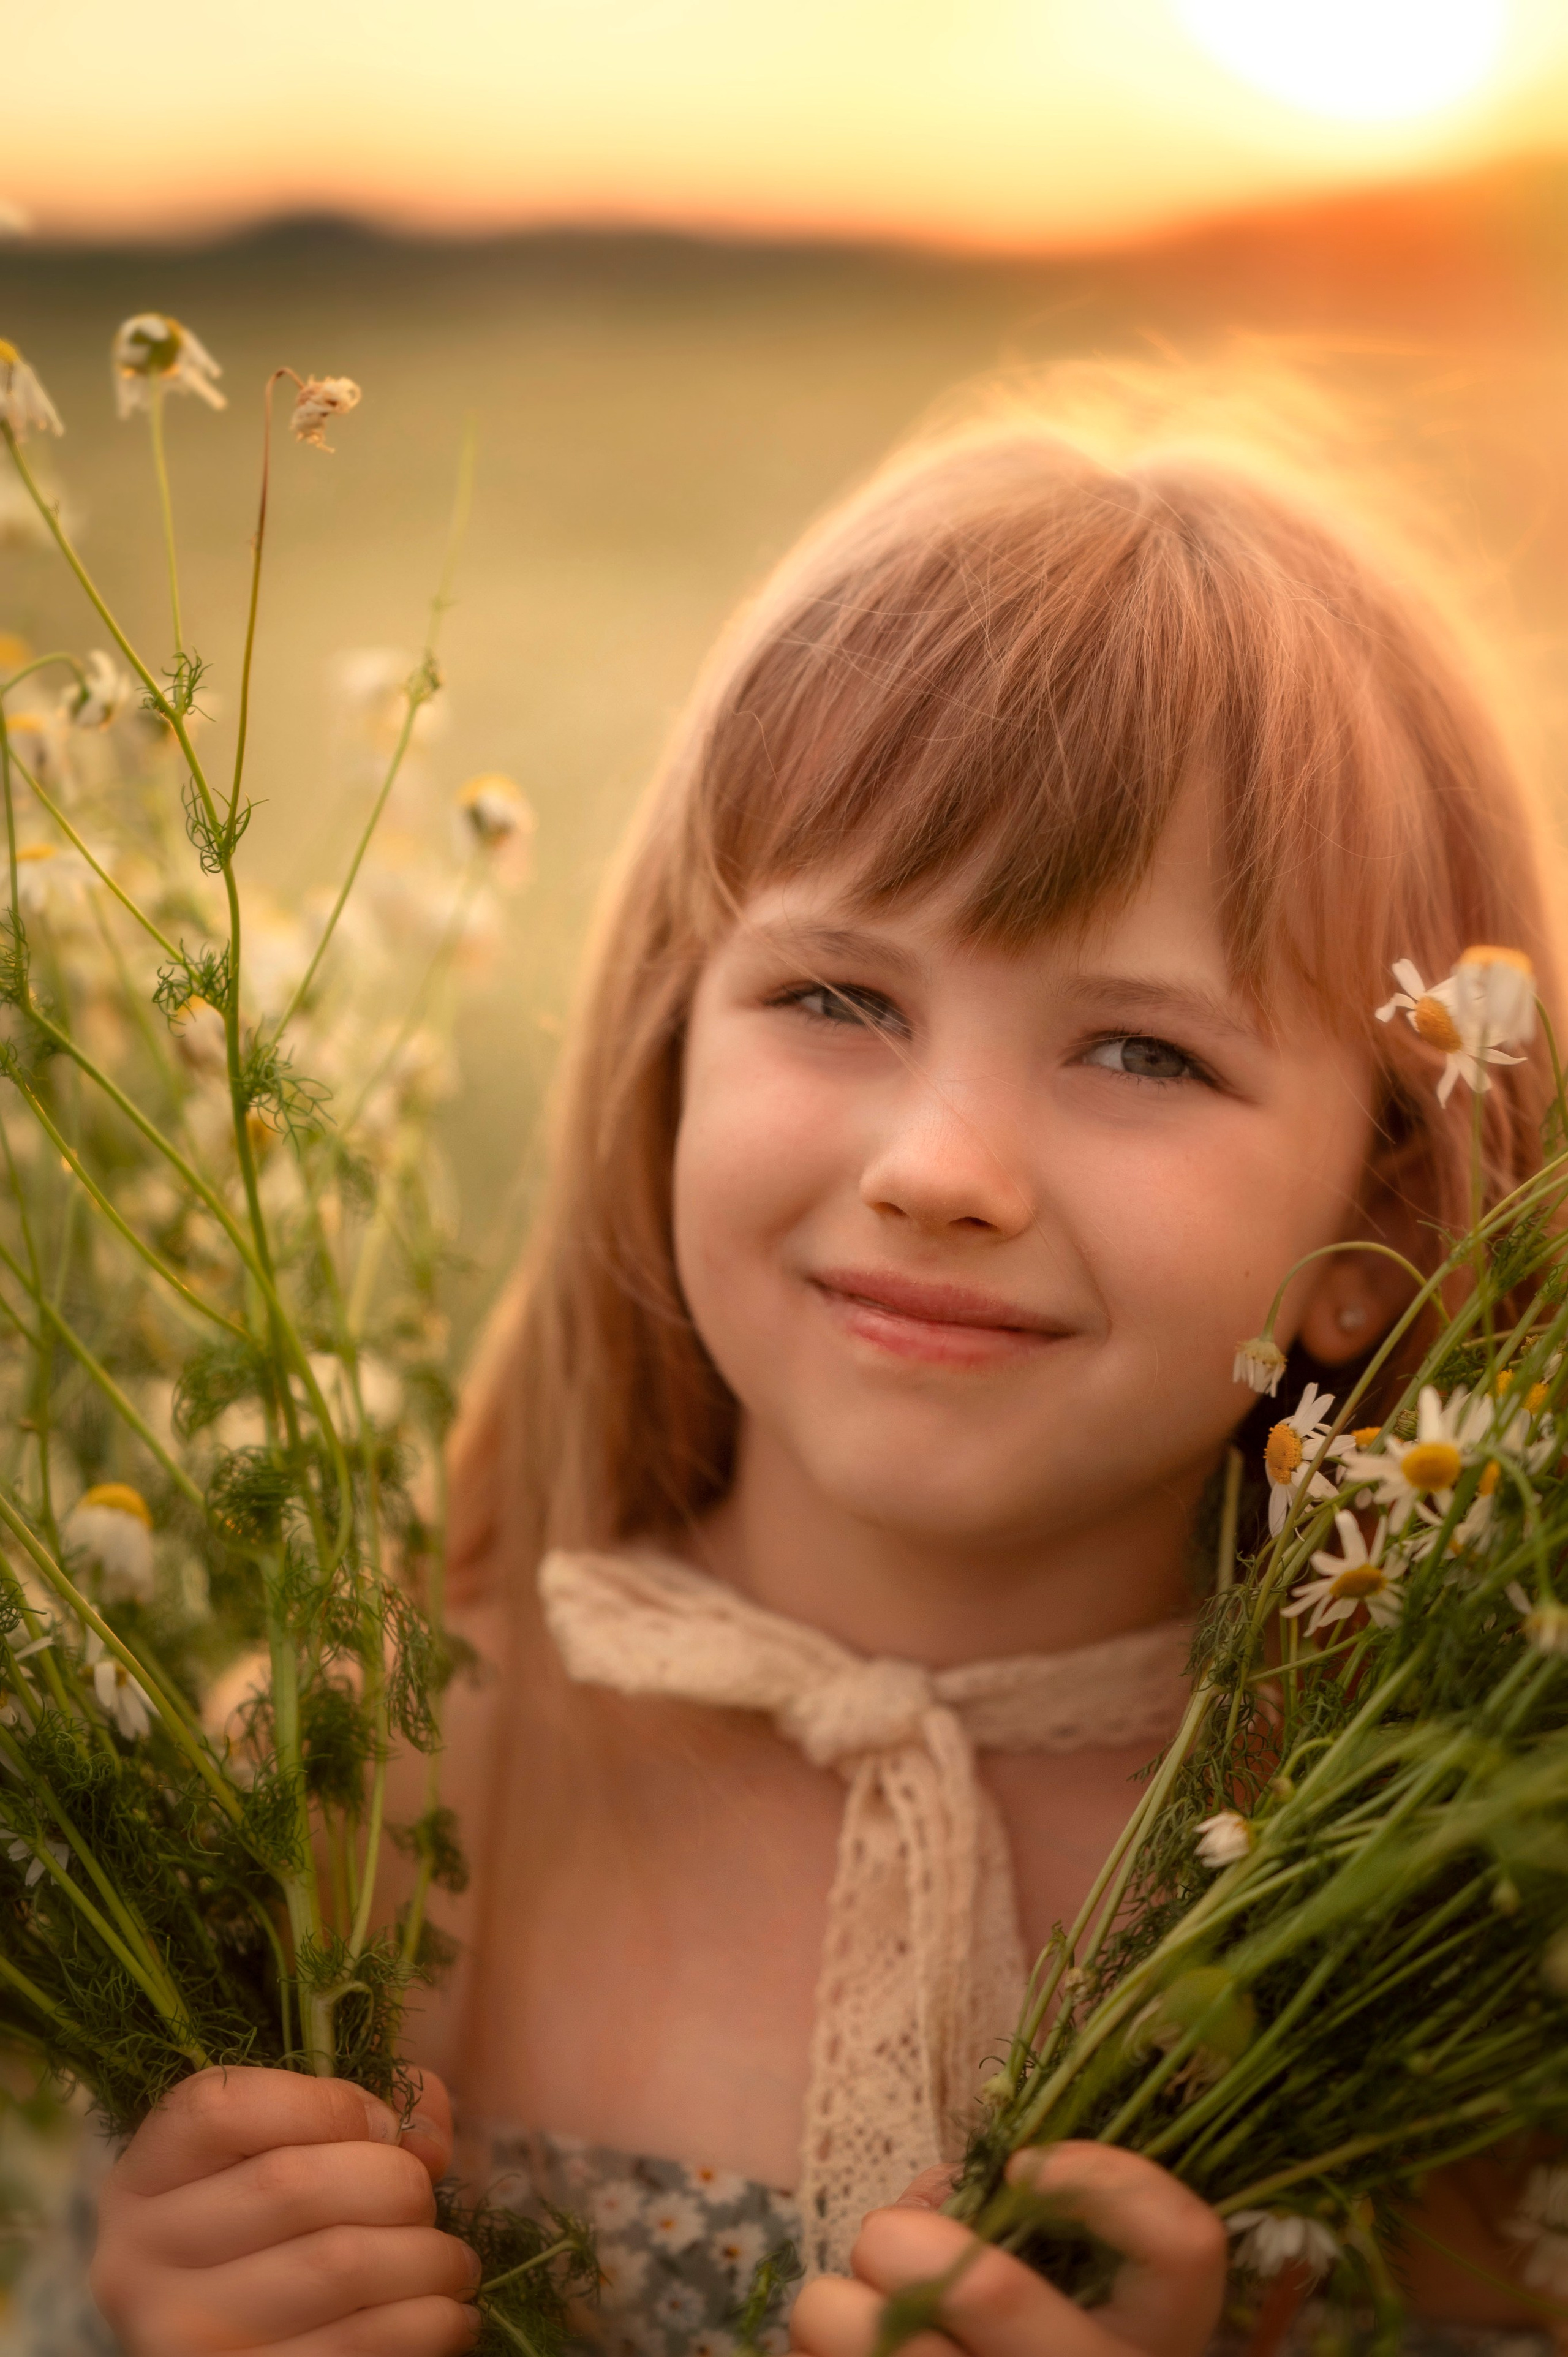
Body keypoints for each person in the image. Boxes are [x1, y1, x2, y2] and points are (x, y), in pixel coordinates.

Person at [78, 380, 1566, 2357]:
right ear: (672, 1049)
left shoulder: (1452, 1921)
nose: (940, 1169)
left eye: (1143, 1051)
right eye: (839, 994)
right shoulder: (368, 1790)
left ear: (1382, 1226)